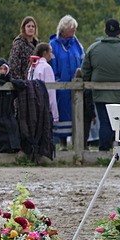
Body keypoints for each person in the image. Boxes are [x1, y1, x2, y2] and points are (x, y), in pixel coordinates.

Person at [81, 19, 120, 151]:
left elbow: (85, 71)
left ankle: (103, 152)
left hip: (101, 95)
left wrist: (89, 84)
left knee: (105, 124)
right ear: (118, 31)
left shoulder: (93, 48)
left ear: (106, 31)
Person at [49, 15, 85, 145]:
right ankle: (62, 143)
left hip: (76, 86)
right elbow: (52, 65)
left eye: (75, 29)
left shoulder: (77, 44)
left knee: (76, 114)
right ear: (64, 29)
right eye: (71, 29)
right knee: (62, 114)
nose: (74, 31)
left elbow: (83, 60)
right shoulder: (53, 45)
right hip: (61, 87)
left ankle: (77, 143)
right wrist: (57, 81)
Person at [0, 59, 23, 154]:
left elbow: (21, 86)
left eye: (4, 69)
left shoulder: (11, 82)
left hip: (8, 113)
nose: (2, 71)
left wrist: (11, 81)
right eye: (0, 69)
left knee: (12, 130)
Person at [29, 42, 59, 123]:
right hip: (44, 108)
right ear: (45, 53)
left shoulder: (32, 67)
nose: (51, 55)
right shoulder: (46, 67)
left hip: (33, 105)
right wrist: (55, 114)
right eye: (50, 52)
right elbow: (50, 91)